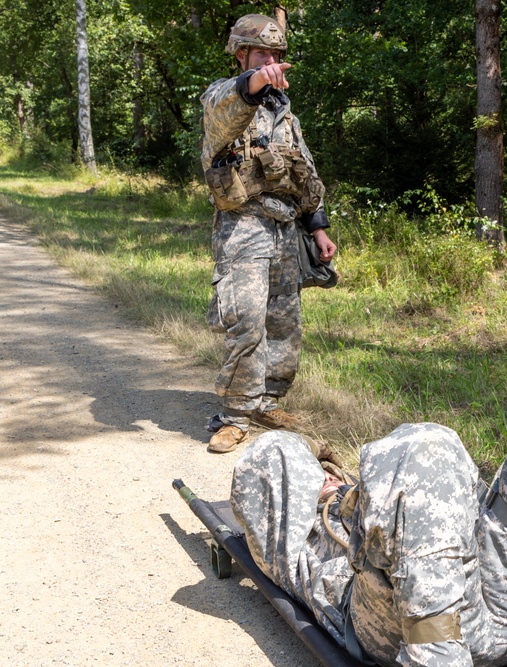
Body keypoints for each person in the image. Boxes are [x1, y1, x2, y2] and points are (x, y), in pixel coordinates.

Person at [230, 403, 507, 667]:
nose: (327, 483)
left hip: (491, 600)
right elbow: (266, 457)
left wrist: (341, 484)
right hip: (414, 627)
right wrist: (331, 486)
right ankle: (437, 656)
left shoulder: (390, 504)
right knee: (424, 443)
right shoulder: (302, 540)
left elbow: (267, 465)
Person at [200, 14, 336, 454]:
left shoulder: (284, 113)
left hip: (284, 226)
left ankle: (268, 400)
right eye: (262, 54)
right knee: (247, 319)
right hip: (243, 224)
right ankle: (236, 414)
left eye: (277, 55)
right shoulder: (223, 97)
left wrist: (317, 227)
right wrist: (253, 81)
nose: (272, 62)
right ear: (242, 54)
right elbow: (227, 110)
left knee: (283, 321)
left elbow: (304, 170)